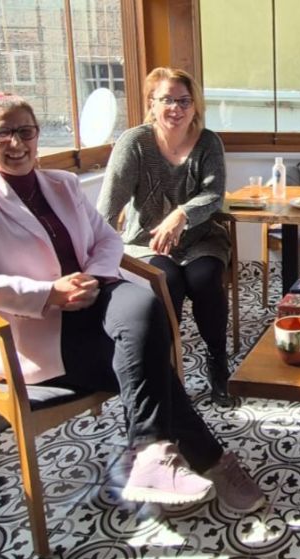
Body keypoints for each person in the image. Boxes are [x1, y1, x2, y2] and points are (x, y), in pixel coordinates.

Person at [0, 92, 264, 513]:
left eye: (25, 131)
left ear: (37, 135)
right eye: (3, 133)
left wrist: (91, 277)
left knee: (144, 304)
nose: (16, 143)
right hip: (34, 329)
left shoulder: (61, 184)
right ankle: (205, 460)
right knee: (151, 367)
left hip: (91, 302)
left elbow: (107, 239)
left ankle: (152, 455)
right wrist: (48, 293)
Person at [97, 67, 232, 406]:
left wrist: (181, 215)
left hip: (201, 238)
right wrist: (97, 259)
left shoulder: (208, 142)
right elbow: (109, 204)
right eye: (167, 100)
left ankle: (218, 363)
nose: (176, 108)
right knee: (166, 282)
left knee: (205, 279)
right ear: (151, 103)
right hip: (145, 242)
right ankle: (166, 369)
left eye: (184, 100)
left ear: (195, 105)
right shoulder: (134, 142)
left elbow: (214, 195)